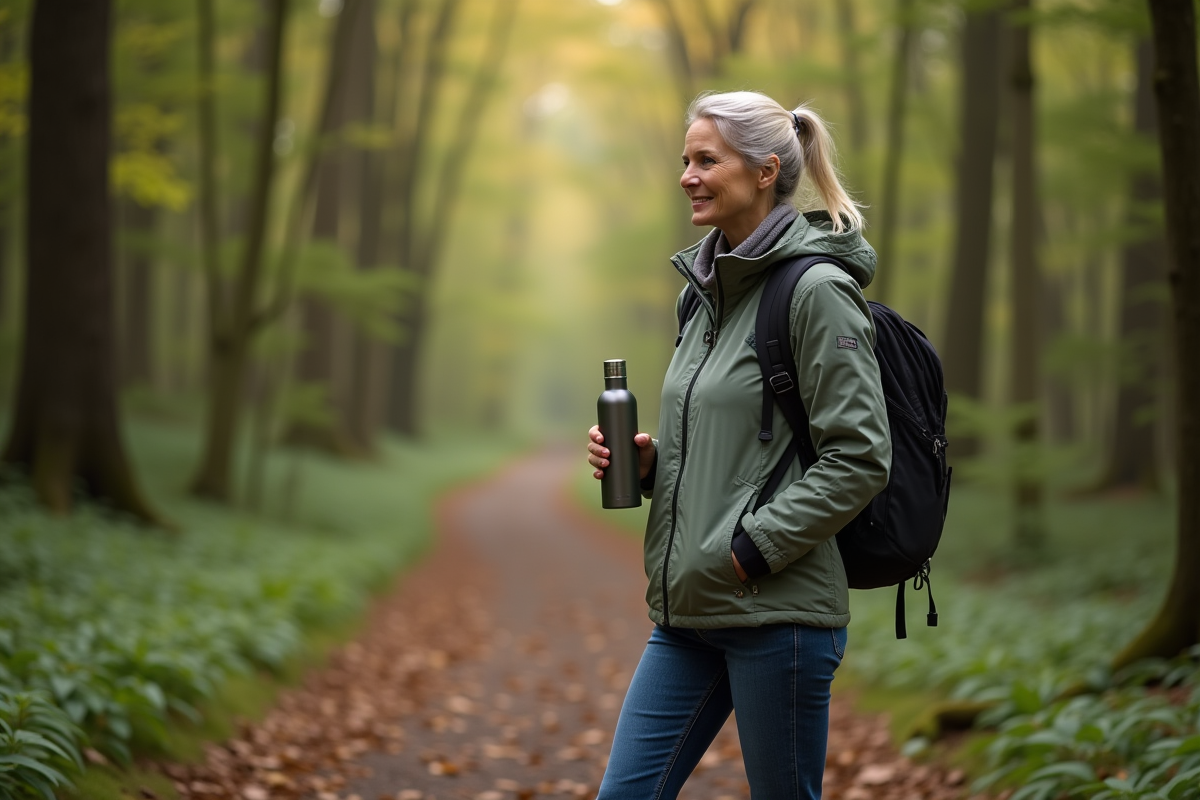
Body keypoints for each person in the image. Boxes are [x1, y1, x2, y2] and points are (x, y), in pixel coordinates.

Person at [585, 90, 892, 800]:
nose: (687, 175)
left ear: (764, 171)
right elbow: (740, 447)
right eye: (685, 159)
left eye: (705, 160)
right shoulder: (702, 293)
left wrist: (754, 547)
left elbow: (861, 455)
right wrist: (651, 465)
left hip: (776, 616)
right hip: (688, 615)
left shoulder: (816, 290)